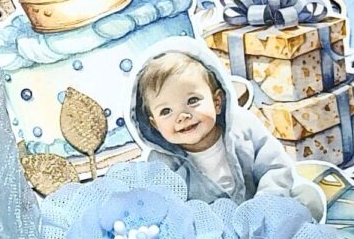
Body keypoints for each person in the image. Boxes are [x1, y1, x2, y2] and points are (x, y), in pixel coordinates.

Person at [130, 43, 324, 219]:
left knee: (308, 197)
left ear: (217, 102)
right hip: (211, 232)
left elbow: (275, 167)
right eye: (166, 111)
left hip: (263, 213)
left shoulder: (243, 126)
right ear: (154, 124)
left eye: (192, 101)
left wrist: (264, 205)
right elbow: (167, 208)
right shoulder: (162, 164)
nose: (182, 116)